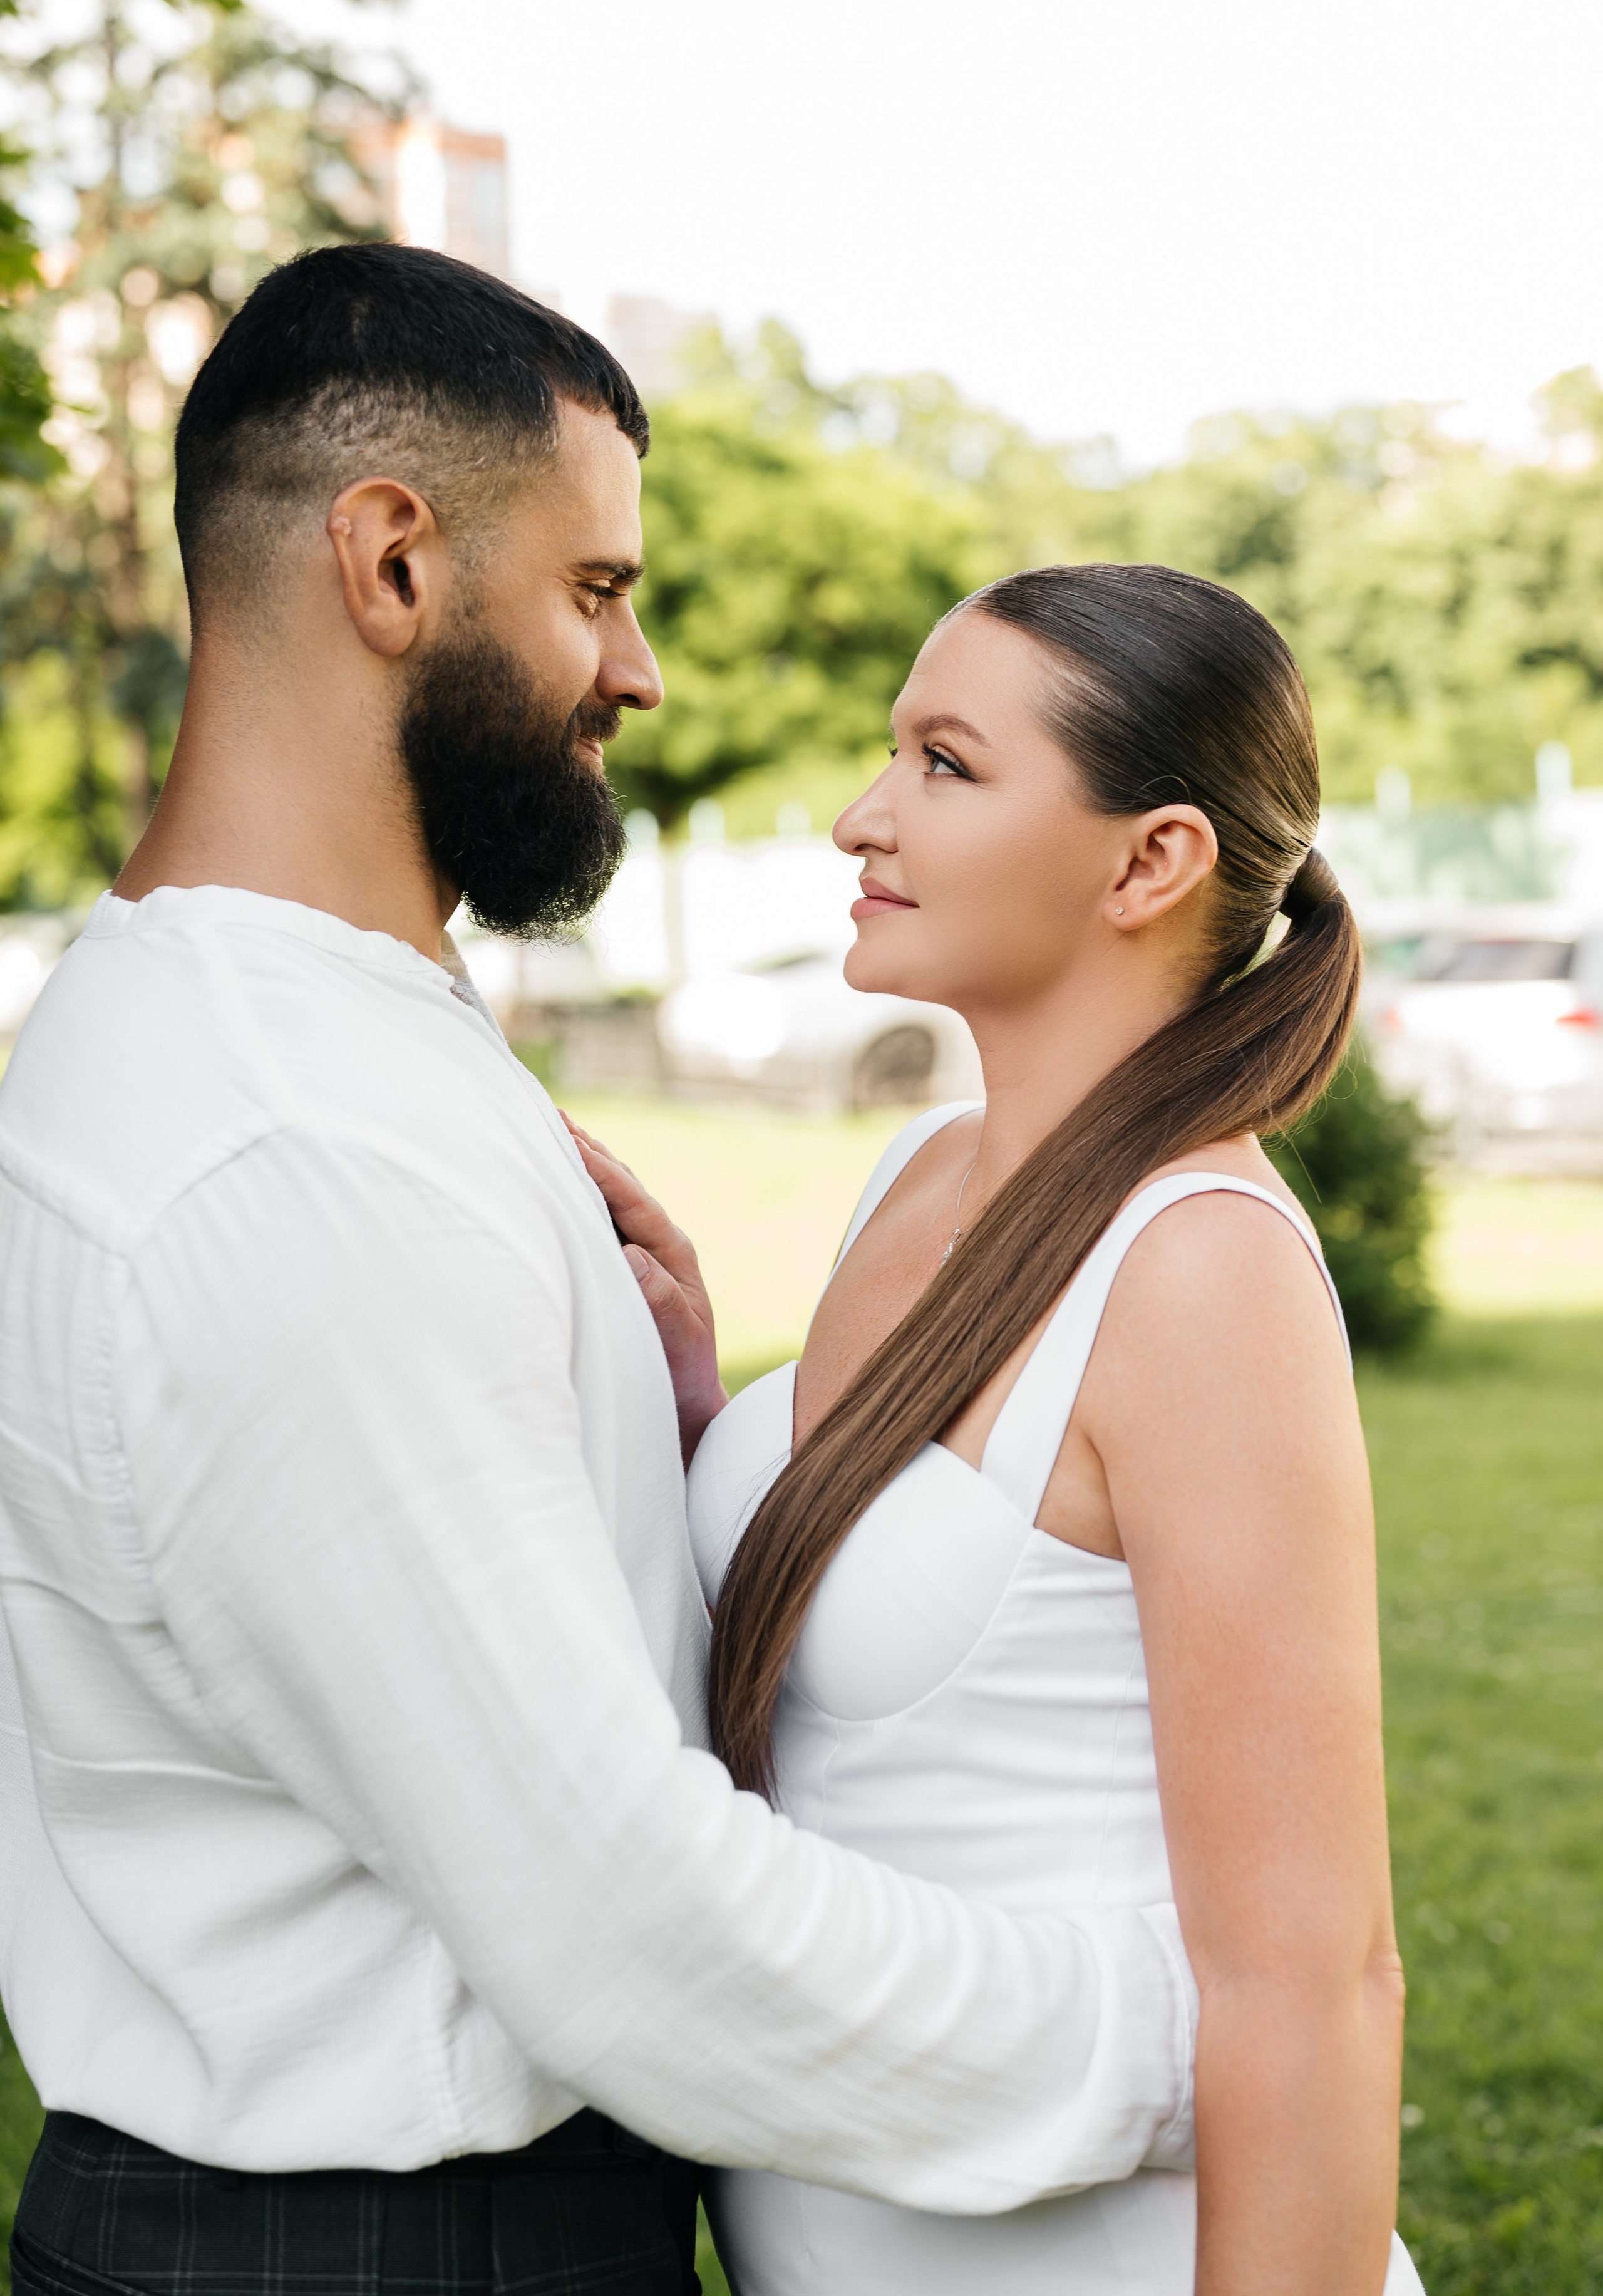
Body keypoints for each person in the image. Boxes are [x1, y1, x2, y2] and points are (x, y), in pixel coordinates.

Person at [0, 249, 1199, 2296]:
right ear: (391, 564)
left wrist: (672, 1451)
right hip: (386, 2251)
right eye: (598, 590)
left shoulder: (294, 1024)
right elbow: (638, 1933)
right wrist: (1180, 2046)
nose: (635, 672)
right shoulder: (291, 1143)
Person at [577, 564, 1426, 2292]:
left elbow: (1314, 1984)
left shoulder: (1200, 1276)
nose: (858, 817)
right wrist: (691, 1412)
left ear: (1152, 859)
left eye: (947, 765)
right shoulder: (921, 1175)